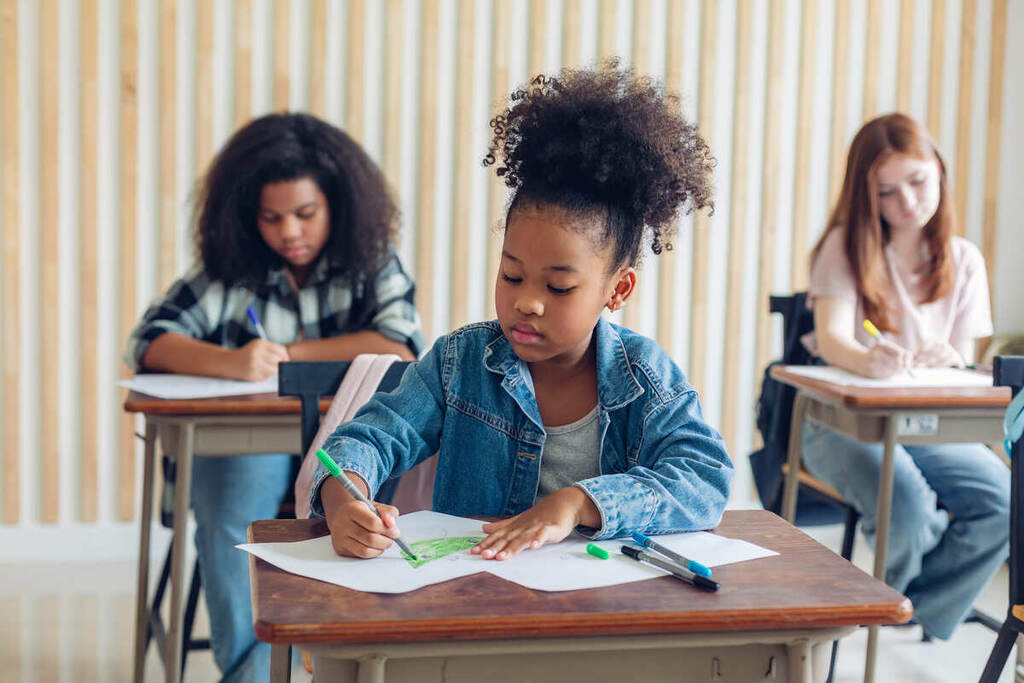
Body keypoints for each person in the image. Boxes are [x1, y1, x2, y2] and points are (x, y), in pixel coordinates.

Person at [310, 62, 733, 561]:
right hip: (478, 602)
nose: (526, 301)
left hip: (603, 609)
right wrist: (345, 499)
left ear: (617, 290)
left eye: (558, 287)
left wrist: (578, 503)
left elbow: (705, 479)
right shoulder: (458, 364)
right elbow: (371, 438)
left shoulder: (645, 378)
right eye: (512, 275)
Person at [124, 112, 425, 681]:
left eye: (305, 214)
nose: (289, 231)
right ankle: (251, 675)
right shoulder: (229, 271)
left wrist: (289, 352)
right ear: (247, 216)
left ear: (337, 205)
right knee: (235, 501)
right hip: (248, 451)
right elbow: (147, 340)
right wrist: (231, 362)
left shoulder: (370, 261)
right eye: (272, 217)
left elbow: (403, 344)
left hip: (351, 452)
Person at [800, 112, 1009, 639]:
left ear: (938, 169)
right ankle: (896, 601)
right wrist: (868, 360)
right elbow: (832, 340)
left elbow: (961, 357)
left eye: (916, 182)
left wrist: (947, 357)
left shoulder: (964, 260)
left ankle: (905, 606)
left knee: (1004, 504)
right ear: (866, 196)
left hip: (926, 422)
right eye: (887, 192)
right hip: (843, 419)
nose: (907, 202)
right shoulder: (846, 247)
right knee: (909, 510)